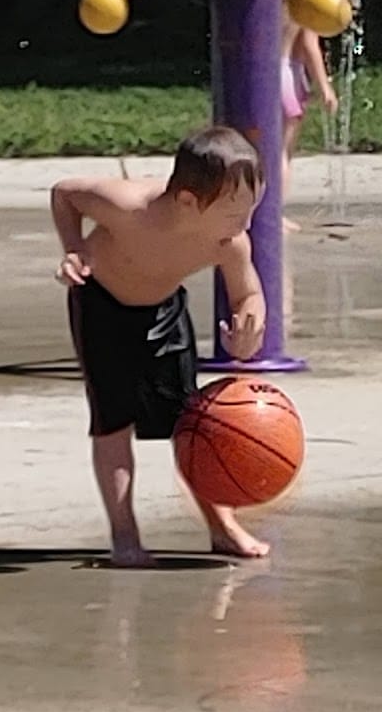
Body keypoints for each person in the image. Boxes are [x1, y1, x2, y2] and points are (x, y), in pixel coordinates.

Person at [51, 125, 270, 567]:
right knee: (113, 423)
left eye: (251, 211)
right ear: (188, 201)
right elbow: (64, 193)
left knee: (193, 425)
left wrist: (250, 330)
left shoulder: (229, 242)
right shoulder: (128, 207)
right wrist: (73, 249)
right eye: (233, 213)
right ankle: (124, 534)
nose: (244, 226)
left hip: (165, 312)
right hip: (102, 307)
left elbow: (249, 294)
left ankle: (221, 525)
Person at [281, 0, 339, 234]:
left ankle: (255, 211)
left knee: (259, 151)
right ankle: (273, 213)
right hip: (287, 79)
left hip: (262, 76)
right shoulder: (303, 9)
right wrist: (324, 86)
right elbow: (309, 48)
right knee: (282, 153)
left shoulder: (272, 2)